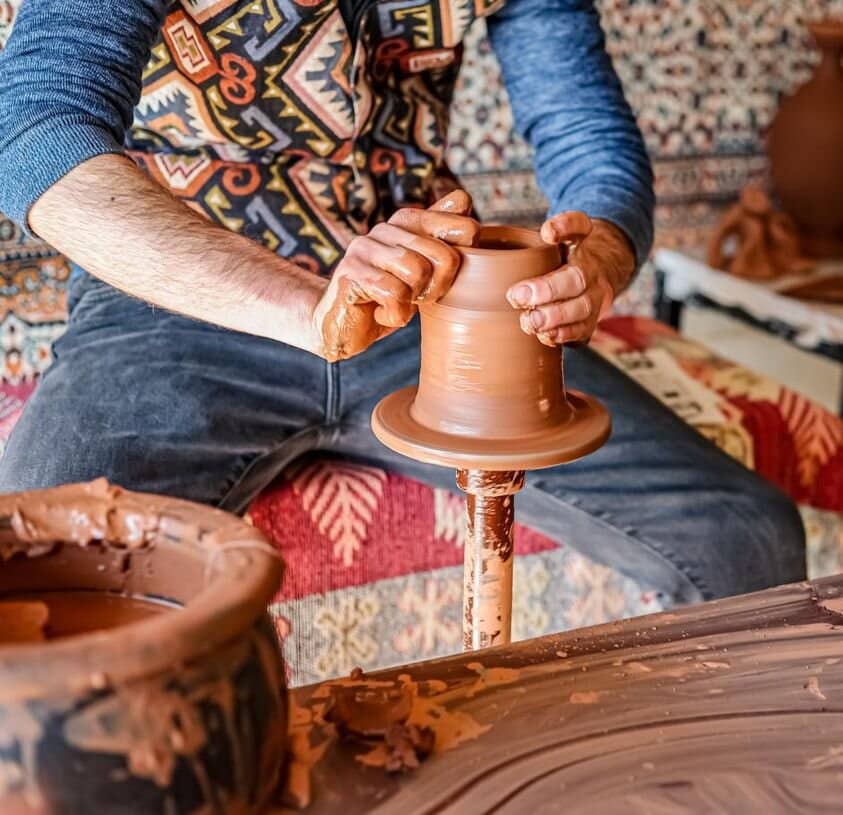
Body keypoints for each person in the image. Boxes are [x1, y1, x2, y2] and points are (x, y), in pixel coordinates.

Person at [0, 0, 804, 606]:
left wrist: (599, 255)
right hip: (176, 312)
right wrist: (309, 307)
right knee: (32, 585)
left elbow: (585, 135)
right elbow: (35, 130)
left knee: (743, 535)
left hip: (428, 308)